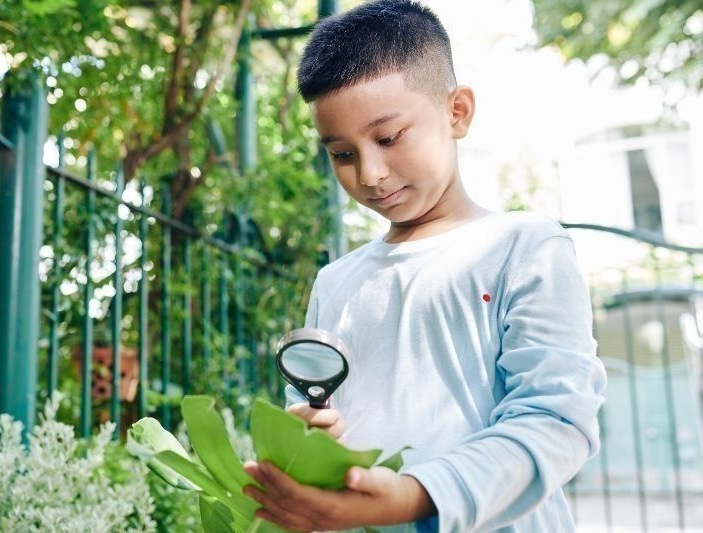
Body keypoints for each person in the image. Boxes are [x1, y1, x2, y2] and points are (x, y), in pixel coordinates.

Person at [241, 1, 607, 531]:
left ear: (456, 111)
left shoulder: (524, 246)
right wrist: (306, 440)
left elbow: (554, 421)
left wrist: (416, 495)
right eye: (342, 153)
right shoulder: (334, 282)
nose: (369, 173)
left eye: (388, 138)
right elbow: (309, 406)